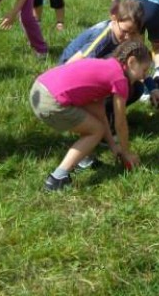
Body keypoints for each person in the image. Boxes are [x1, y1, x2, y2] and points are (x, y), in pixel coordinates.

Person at [30, 41, 150, 192]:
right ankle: (57, 179)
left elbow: (99, 113)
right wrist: (126, 152)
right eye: (144, 70)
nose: (143, 77)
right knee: (95, 131)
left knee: (93, 125)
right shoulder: (120, 79)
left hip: (39, 88)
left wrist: (113, 146)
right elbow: (120, 123)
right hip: (50, 102)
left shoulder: (107, 67)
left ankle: (84, 159)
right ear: (131, 62)